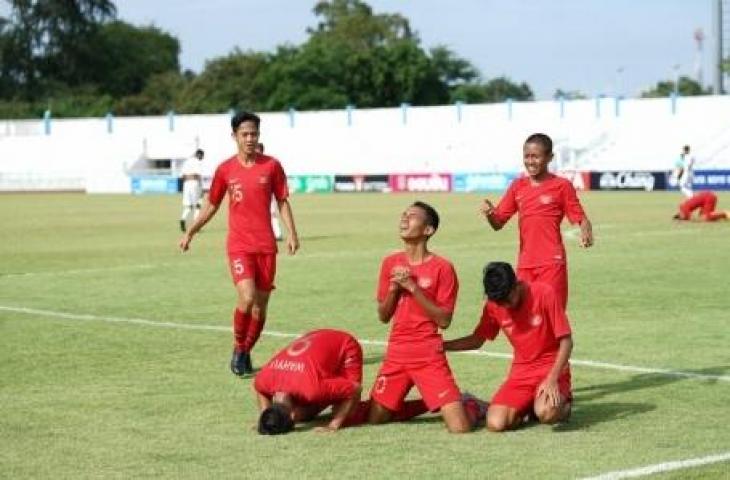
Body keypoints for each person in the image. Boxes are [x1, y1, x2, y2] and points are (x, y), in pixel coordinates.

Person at [179, 111, 300, 377]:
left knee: (261, 306)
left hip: (266, 247)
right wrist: (192, 231)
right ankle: (237, 348)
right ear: (234, 136)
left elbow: (281, 200)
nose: (250, 139)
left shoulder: (272, 166)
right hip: (239, 246)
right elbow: (211, 204)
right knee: (246, 298)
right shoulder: (225, 169)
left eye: (254, 134)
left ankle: (246, 350)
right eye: (244, 134)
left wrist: (292, 233)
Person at [367, 201, 472, 434]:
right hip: (397, 352)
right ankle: (431, 402)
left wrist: (412, 287)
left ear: (428, 230)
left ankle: (468, 405)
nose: (404, 219)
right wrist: (395, 289)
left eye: (412, 216)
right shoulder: (390, 263)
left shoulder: (443, 268)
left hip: (427, 354)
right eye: (403, 215)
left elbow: (444, 320)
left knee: (460, 428)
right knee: (375, 419)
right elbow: (383, 316)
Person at [444, 262, 573, 432]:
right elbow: (477, 340)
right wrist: (442, 346)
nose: (505, 305)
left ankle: (565, 404)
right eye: (500, 302)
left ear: (516, 284)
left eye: (508, 299)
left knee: (547, 413)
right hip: (521, 374)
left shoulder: (544, 293)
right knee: (496, 424)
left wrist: (552, 379)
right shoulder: (493, 305)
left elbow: (566, 341)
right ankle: (527, 408)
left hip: (551, 369)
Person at [481, 133, 593, 310]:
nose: (530, 161)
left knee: (552, 316)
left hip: (552, 263)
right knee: (527, 317)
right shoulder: (517, 186)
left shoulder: (562, 186)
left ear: (549, 157)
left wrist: (586, 231)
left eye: (536, 156)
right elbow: (498, 223)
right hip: (525, 264)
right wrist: (490, 214)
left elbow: (580, 217)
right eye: (527, 156)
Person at [254, 329, 363, 434]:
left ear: (291, 415)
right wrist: (263, 417)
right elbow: (261, 390)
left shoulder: (311, 389)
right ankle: (328, 394)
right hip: (315, 336)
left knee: (348, 415)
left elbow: (355, 388)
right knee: (303, 415)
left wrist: (333, 425)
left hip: (345, 345)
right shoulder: (264, 380)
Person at [256, 142, 283, 241]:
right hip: (257, 195)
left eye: (258, 150)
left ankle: (278, 234)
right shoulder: (254, 164)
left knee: (272, 213)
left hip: (268, 194)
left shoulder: (268, 163)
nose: (256, 152)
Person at [179, 148, 205, 232]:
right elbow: (199, 175)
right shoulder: (198, 162)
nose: (202, 158)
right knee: (198, 205)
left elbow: (181, 176)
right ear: (199, 155)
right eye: (202, 156)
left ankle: (183, 219)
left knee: (189, 206)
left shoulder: (187, 162)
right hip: (194, 183)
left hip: (186, 184)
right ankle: (196, 227)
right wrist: (201, 188)